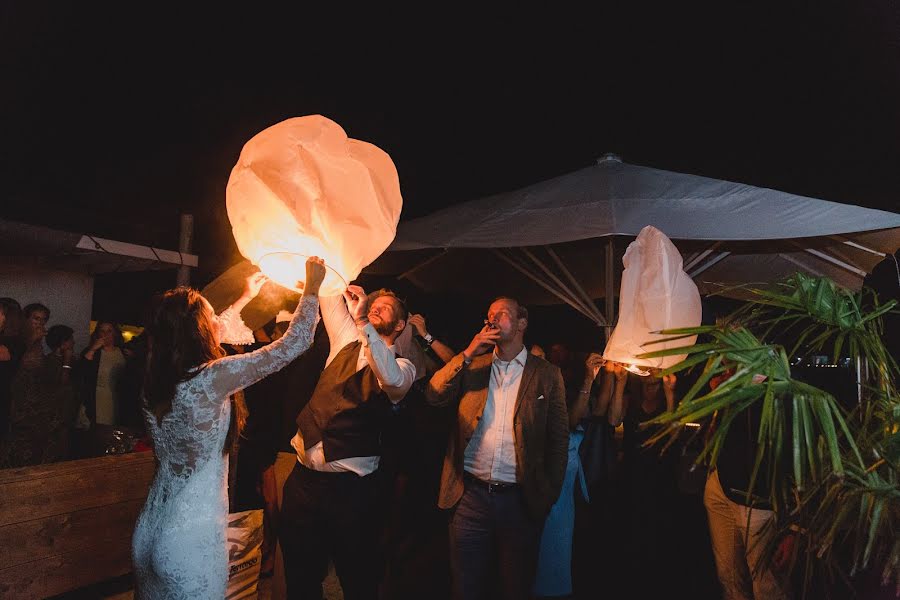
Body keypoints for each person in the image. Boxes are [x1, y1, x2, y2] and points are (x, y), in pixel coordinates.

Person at [131, 258, 325, 600]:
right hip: (189, 540)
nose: (216, 321)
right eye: (209, 315)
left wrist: (246, 296)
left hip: (149, 530)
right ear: (198, 329)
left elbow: (220, 326)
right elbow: (292, 345)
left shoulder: (155, 382)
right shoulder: (211, 377)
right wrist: (312, 288)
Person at [278, 285, 416, 600]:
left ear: (399, 326)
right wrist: (333, 273)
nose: (377, 306)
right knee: (300, 578)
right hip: (303, 483)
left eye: (386, 307)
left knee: (357, 578)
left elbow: (392, 382)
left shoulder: (404, 367)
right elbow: (328, 295)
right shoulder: (345, 340)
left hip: (351, 494)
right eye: (374, 303)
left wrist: (365, 321)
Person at [426, 296, 568, 600]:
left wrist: (548, 492)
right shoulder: (473, 364)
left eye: (501, 314)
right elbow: (434, 395)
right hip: (470, 497)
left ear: (521, 324)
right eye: (489, 315)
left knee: (515, 586)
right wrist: (465, 354)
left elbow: (558, 439)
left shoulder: (546, 374)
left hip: (520, 500)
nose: (492, 319)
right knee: (465, 586)